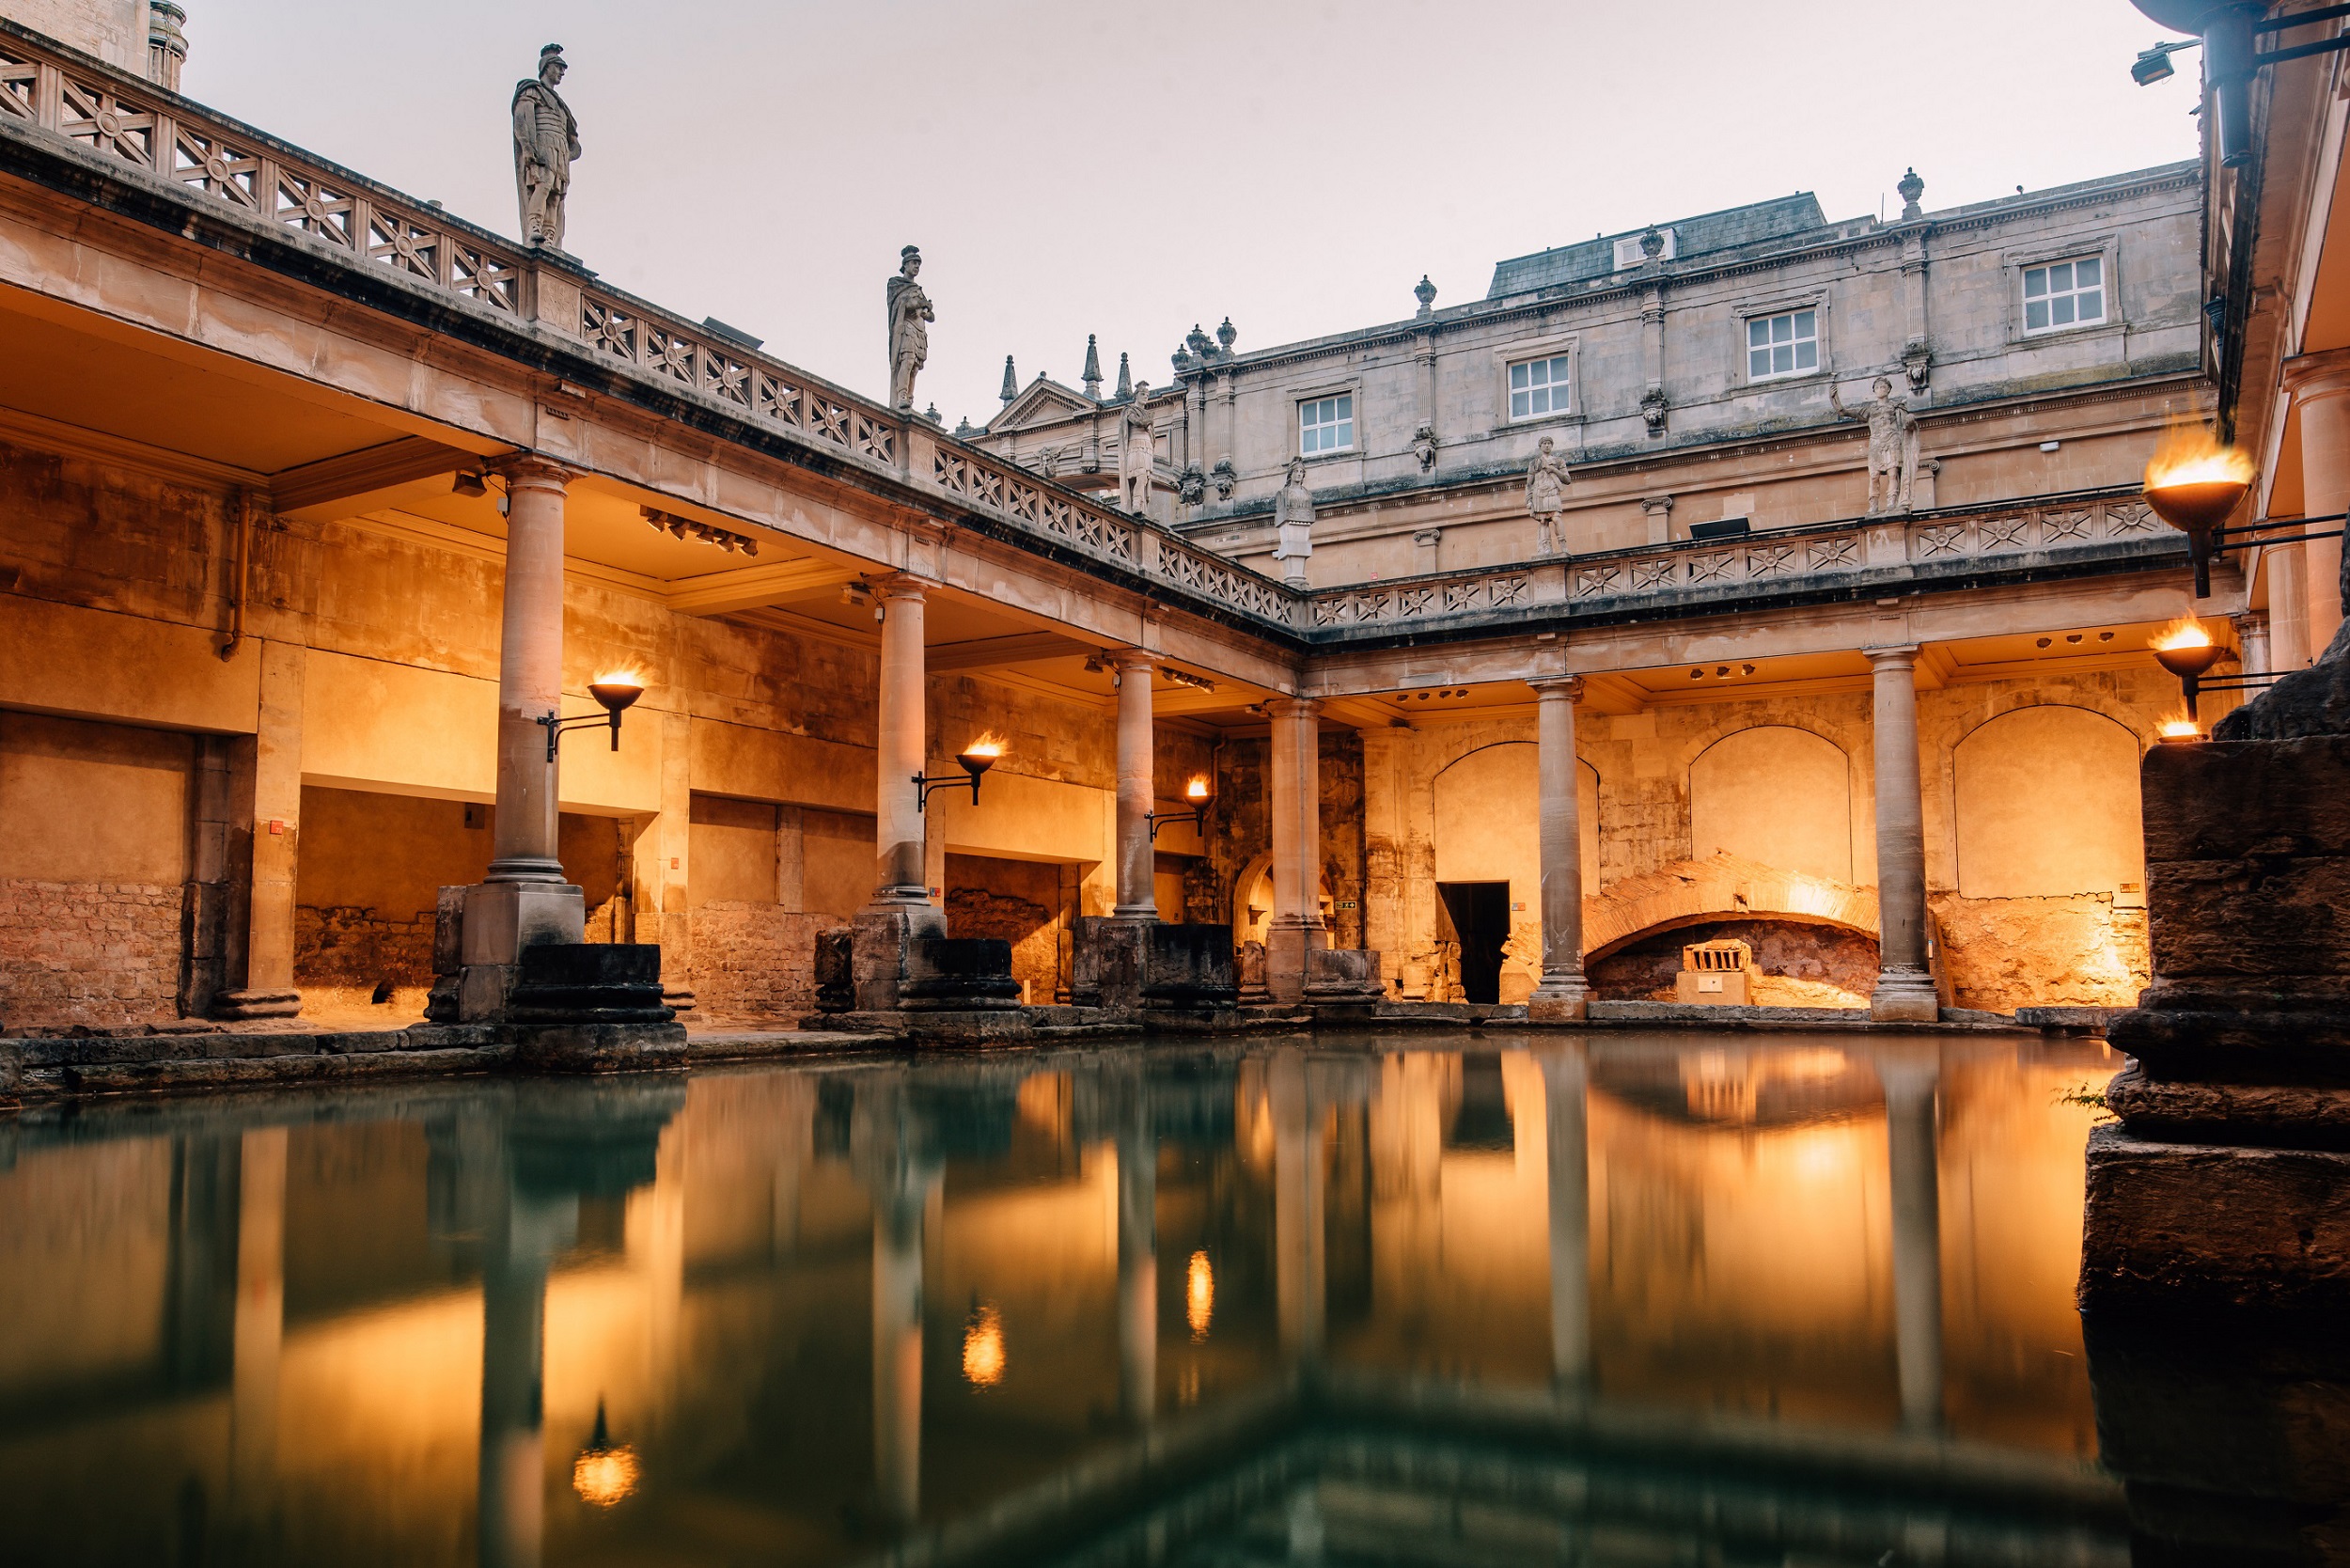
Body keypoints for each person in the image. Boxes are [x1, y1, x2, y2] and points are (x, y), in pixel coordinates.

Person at [511, 45, 580, 250]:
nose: (561, 73)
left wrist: (571, 150)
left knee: (556, 197)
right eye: (558, 68)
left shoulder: (561, 105)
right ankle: (535, 228)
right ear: (546, 67)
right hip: (542, 146)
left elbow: (571, 135)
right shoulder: (532, 89)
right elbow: (522, 120)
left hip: (559, 151)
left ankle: (549, 238)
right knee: (543, 186)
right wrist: (529, 147)